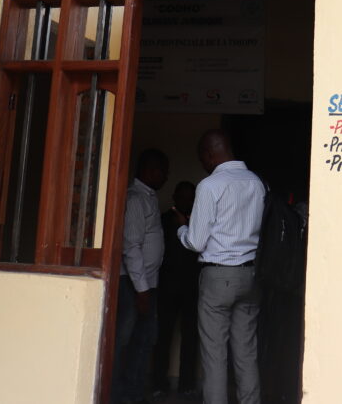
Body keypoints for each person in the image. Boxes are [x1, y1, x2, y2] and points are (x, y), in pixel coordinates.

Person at [175, 130, 266, 404]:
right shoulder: (257, 183)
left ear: (208, 154)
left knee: (215, 356)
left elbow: (196, 241)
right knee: (246, 353)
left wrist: (181, 227)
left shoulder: (210, 186)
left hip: (218, 276)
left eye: (202, 158)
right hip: (251, 275)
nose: (202, 164)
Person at [112, 149, 168, 404]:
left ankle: (133, 393)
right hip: (133, 285)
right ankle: (117, 394)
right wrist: (142, 290)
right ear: (145, 169)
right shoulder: (135, 198)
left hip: (147, 284)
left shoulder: (149, 197)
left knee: (144, 340)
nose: (163, 175)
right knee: (125, 340)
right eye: (159, 169)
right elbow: (131, 247)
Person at [152, 181, 201, 396]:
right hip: (168, 287)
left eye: (190, 198)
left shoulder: (199, 223)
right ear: (174, 197)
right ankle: (158, 385)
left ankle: (187, 385)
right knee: (163, 337)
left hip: (193, 288)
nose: (186, 201)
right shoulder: (163, 221)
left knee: (190, 338)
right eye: (182, 197)